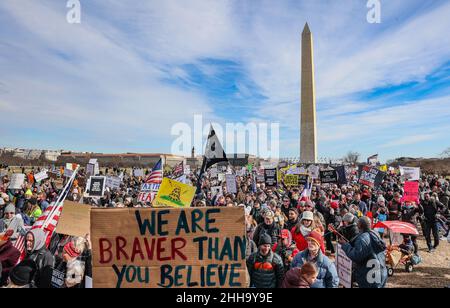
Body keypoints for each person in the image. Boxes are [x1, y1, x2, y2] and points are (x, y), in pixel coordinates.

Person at [340, 217, 387, 288]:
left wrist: (345, 245)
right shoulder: (376, 234)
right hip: (380, 273)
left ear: (359, 225)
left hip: (369, 277)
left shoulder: (362, 238)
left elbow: (356, 256)